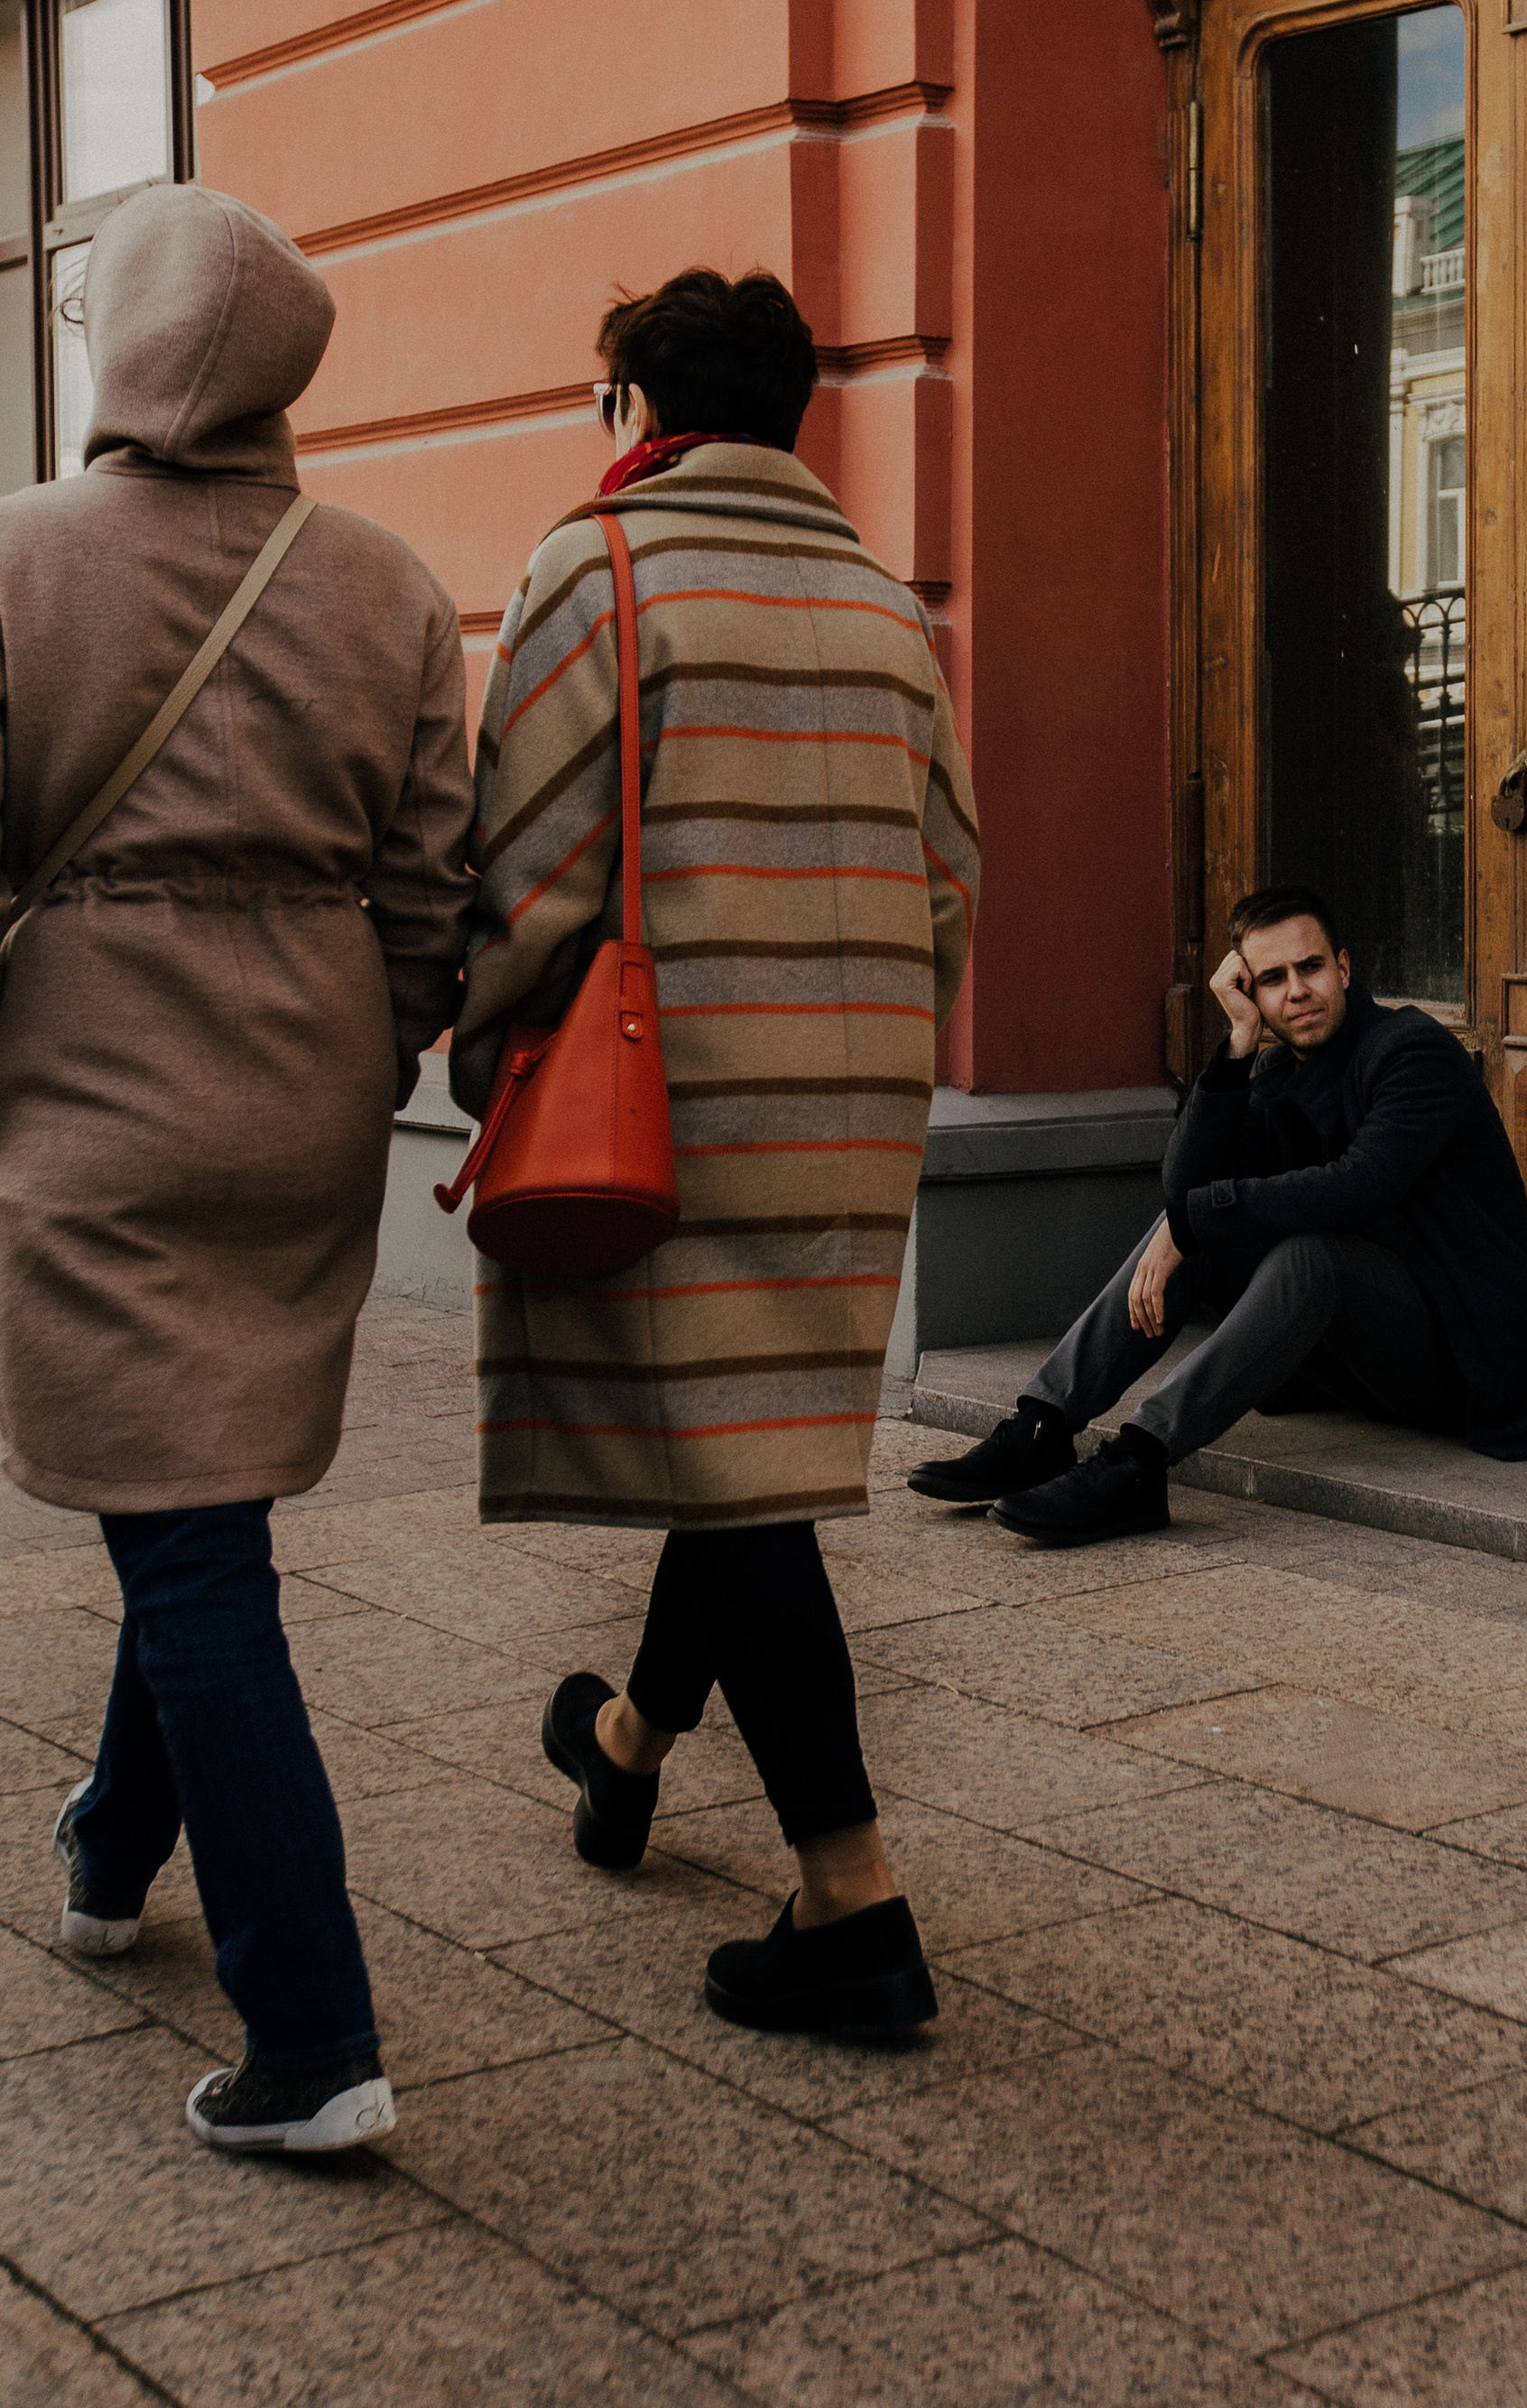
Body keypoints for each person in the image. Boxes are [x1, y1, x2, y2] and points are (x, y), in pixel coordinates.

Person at [0, 185, 472, 2154]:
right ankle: (116, 1841)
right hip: (304, 1091)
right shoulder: (384, 579)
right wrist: (367, 1036)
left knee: (190, 1537)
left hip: (90, 1083)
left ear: (112, 335)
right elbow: (437, 881)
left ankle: (316, 2036)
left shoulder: (17, 556)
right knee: (183, 1485)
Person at [453, 266, 977, 2038]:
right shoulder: (884, 605)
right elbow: (950, 878)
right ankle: (626, 1744)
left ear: (634, 407)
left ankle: (853, 1894)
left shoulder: (597, 565)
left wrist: (482, 1045)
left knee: (732, 1465)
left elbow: (528, 864)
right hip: (851, 1099)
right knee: (736, 1442)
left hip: (668, 1098)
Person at [911, 883, 1527, 1547]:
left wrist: (1196, 1219)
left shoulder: (1413, 1054)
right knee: (1197, 1228)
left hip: (1472, 1358)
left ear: (1344, 969)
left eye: (1311, 967)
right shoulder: (1280, 1072)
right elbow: (1185, 1189)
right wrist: (1236, 1049)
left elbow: (1359, 1186)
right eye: (1272, 979)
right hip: (1370, 1360)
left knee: (1301, 1252)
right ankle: (1042, 1427)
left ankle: (1138, 1462)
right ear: (1252, 994)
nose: (1296, 990)